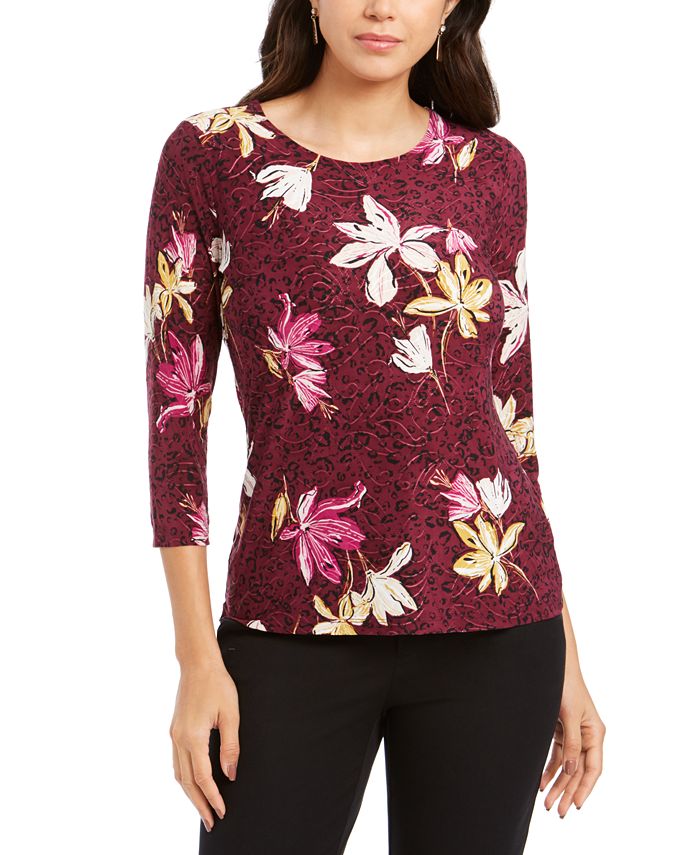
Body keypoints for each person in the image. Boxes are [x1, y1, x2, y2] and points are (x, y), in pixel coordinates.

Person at [143, 1, 606, 852]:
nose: (382, 5)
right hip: (289, 622)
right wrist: (196, 658)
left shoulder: (492, 170)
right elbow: (177, 418)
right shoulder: (215, 156)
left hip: (498, 629)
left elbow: (509, 423)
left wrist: (568, 656)